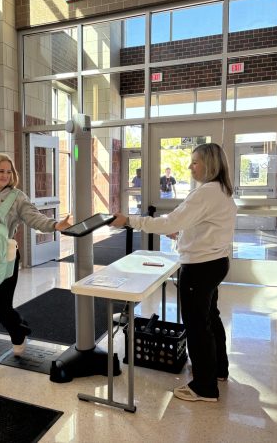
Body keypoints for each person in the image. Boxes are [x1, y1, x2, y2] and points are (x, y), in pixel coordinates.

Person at [111, 143, 237, 402]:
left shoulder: (205, 192)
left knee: (198, 325)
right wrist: (181, 232)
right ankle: (218, 370)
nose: (190, 167)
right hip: (216, 262)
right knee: (210, 318)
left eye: (195, 162)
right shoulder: (222, 191)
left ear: (210, 164)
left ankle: (204, 387)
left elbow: (170, 221)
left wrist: (131, 220)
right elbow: (201, 226)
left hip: (200, 267)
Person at [0, 153, 72, 387]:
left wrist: (56, 225)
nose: (6, 175)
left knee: (2, 309)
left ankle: (18, 332)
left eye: (9, 171)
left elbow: (34, 219)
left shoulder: (18, 198)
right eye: (1, 171)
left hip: (5, 261)